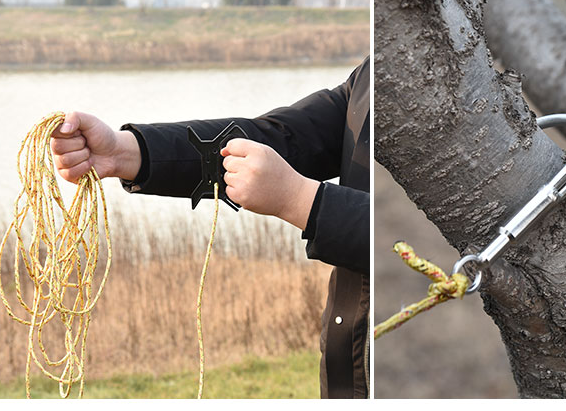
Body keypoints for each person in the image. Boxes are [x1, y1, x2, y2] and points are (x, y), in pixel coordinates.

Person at [50, 59, 370, 399]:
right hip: (346, 371)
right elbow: (280, 139)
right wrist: (123, 152)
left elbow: (426, 239)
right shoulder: (372, 75)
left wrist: (300, 200)